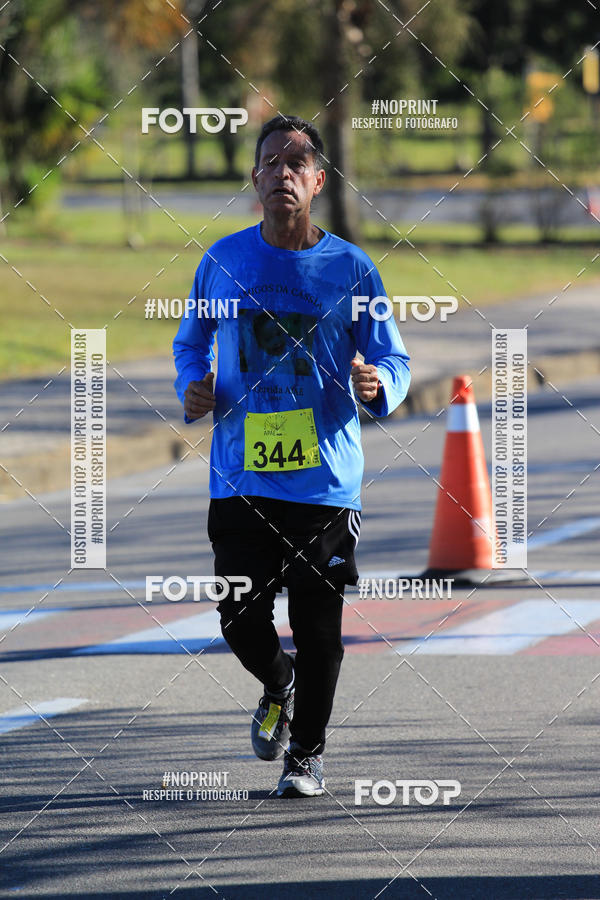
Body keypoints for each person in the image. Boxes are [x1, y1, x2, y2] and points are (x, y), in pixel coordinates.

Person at [173, 114, 410, 798]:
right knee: (239, 617)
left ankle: (305, 755)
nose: (282, 172)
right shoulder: (221, 261)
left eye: (296, 162)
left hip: (326, 483)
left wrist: (380, 384)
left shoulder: (350, 267)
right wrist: (192, 386)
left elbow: (392, 354)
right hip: (241, 474)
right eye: (270, 161)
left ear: (317, 181)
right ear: (255, 179)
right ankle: (277, 682)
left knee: (319, 627)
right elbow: (191, 342)